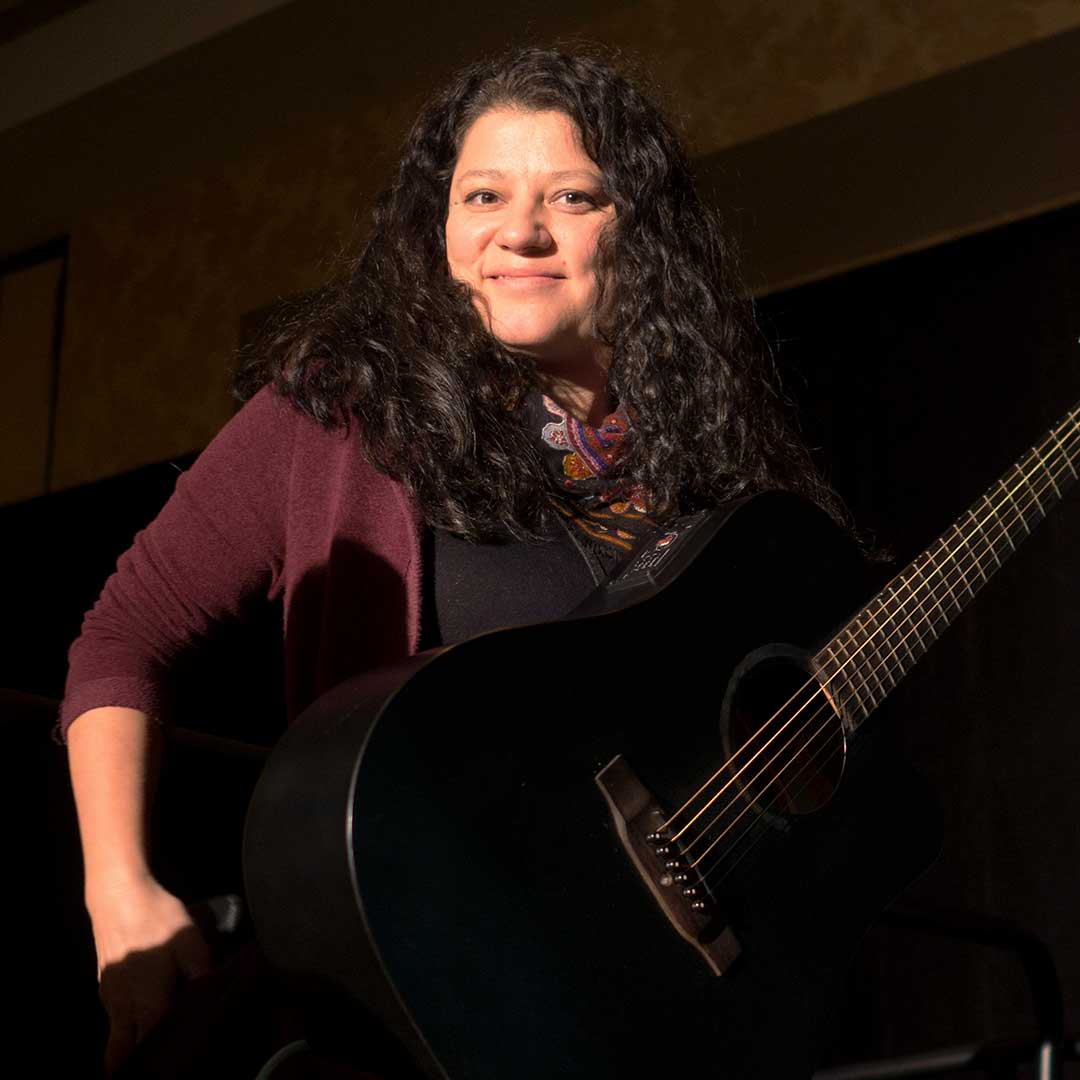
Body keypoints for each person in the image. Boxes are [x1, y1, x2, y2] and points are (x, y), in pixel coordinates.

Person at [61, 45, 842, 1075]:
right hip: (386, 1018)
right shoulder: (339, 414)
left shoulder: (707, 484)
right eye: (482, 194)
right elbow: (123, 638)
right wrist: (119, 893)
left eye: (572, 195)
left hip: (628, 1033)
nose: (519, 231)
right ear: (438, 231)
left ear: (640, 235)